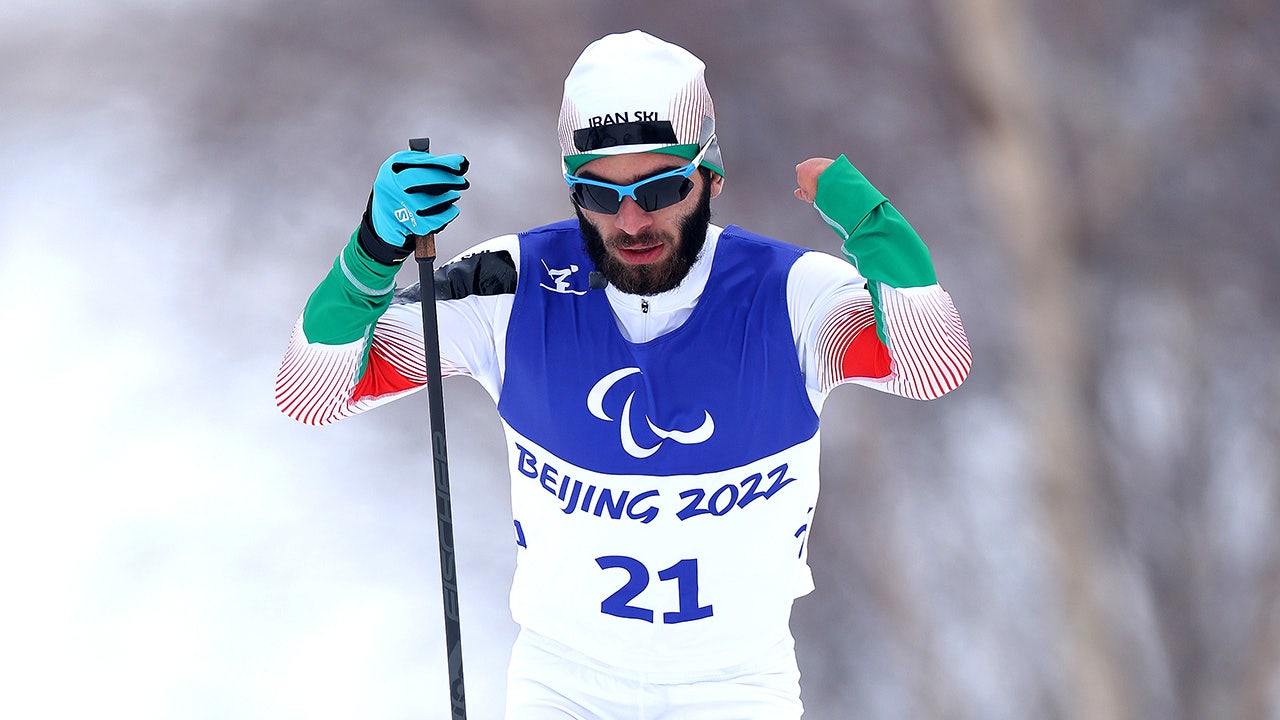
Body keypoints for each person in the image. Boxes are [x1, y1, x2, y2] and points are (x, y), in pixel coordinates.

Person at [277, 29, 970, 719]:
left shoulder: (788, 293)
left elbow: (929, 365)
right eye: (599, 196)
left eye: (661, 186)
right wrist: (373, 249)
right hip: (565, 686)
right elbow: (312, 393)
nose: (632, 220)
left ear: (711, 176)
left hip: (734, 686)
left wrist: (874, 227)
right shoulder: (512, 286)